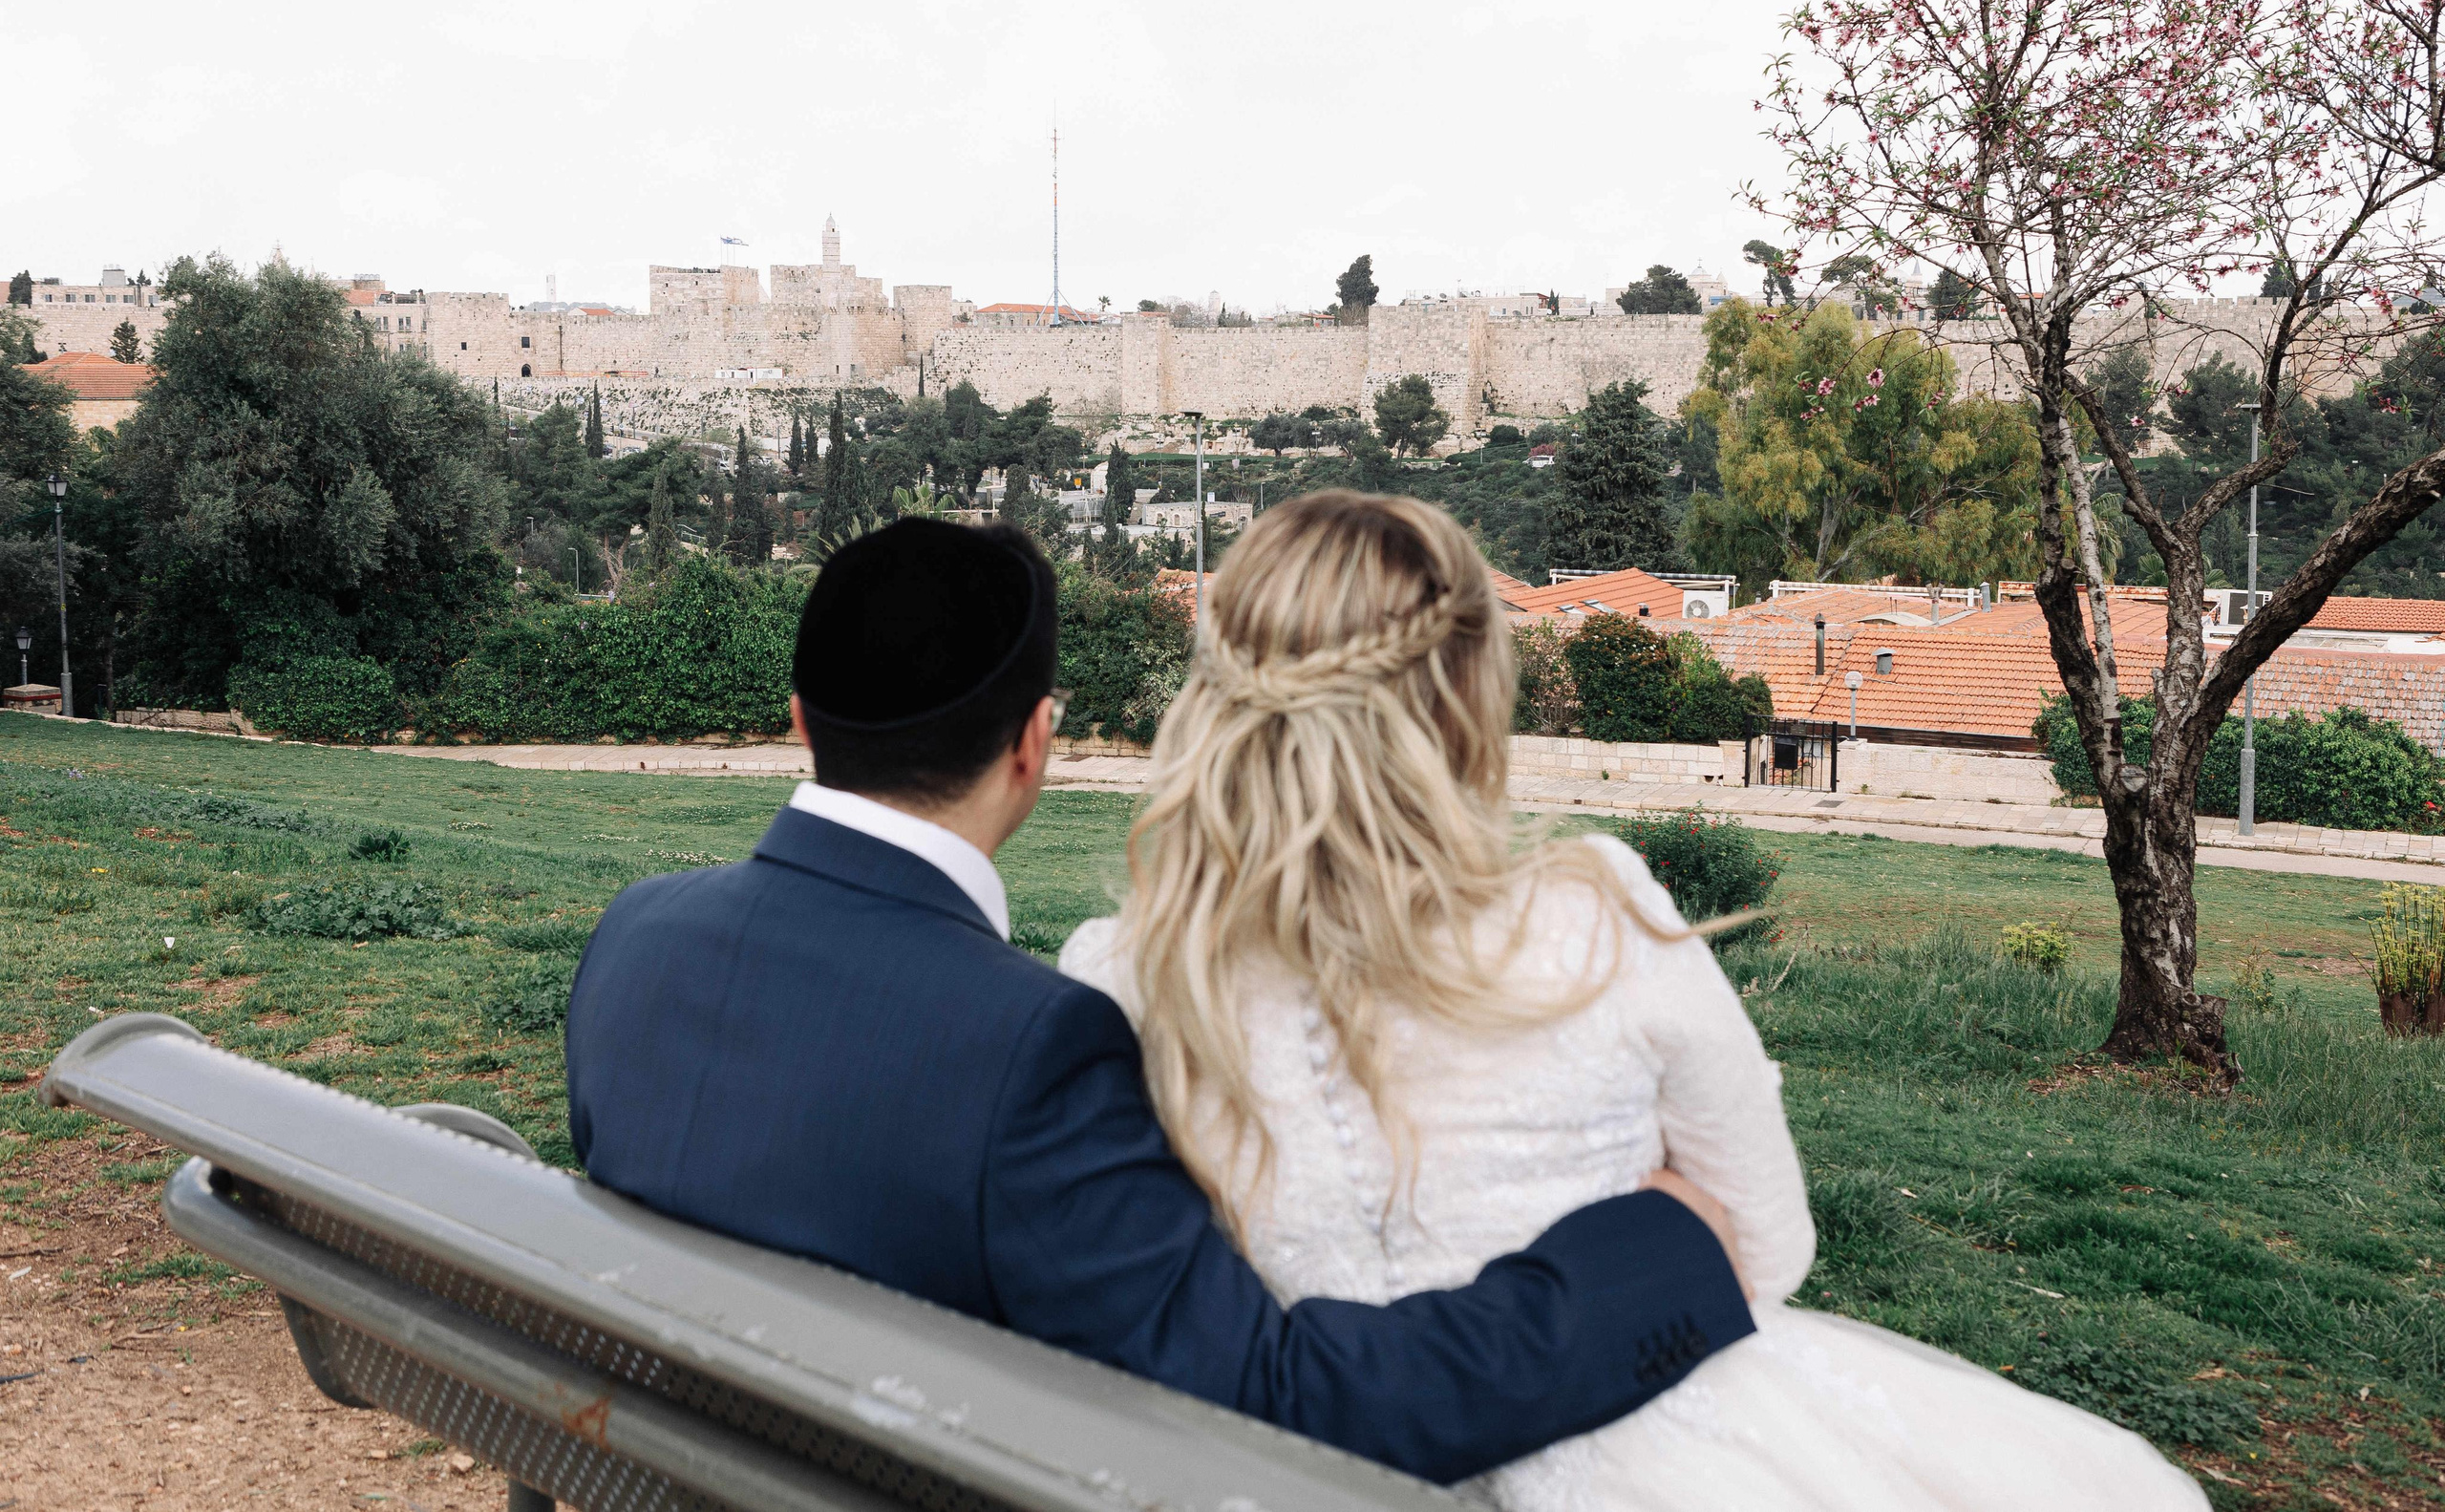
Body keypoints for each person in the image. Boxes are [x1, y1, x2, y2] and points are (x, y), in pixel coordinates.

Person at [1059, 491, 2210, 1512]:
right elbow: (1766, 1239)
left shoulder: (1121, 975)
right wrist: (1651, 1230)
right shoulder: (1591, 912)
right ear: (1468, 699)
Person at [563, 516, 1755, 1486]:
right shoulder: (1026, 1048)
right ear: (1034, 745)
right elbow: (1273, 1406)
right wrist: (1654, 1259)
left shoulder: (636, 938)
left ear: (798, 721)